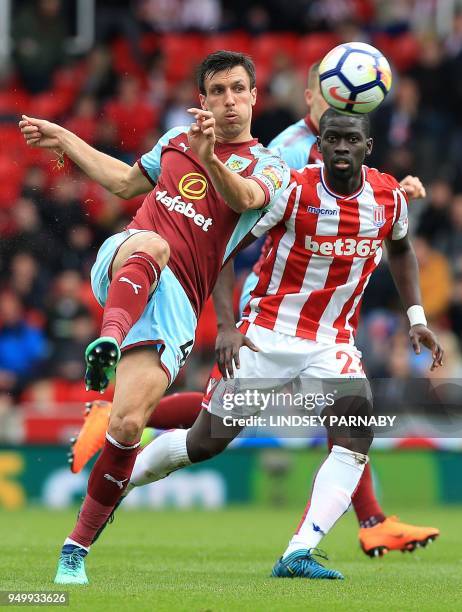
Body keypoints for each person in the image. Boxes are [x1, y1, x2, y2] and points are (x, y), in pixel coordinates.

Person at [69, 62, 438, 557]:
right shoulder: (284, 159)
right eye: (329, 104)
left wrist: (415, 313)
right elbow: (226, 230)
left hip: (330, 337)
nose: (340, 135)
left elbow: (396, 240)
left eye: (350, 128)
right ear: (311, 100)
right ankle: (116, 454)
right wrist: (226, 324)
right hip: (264, 321)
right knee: (208, 437)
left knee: (352, 419)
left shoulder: (378, 187)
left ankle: (334, 537)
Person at [20, 50, 291, 585]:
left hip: (178, 308)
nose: (229, 100)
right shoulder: (173, 142)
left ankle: (75, 548)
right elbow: (124, 183)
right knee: (151, 242)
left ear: (255, 96)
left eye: (239, 89)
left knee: (125, 426)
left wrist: (212, 158)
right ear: (202, 100)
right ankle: (109, 343)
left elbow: (242, 197)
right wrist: (65, 140)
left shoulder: (272, 166)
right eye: (218, 91)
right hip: (129, 260)